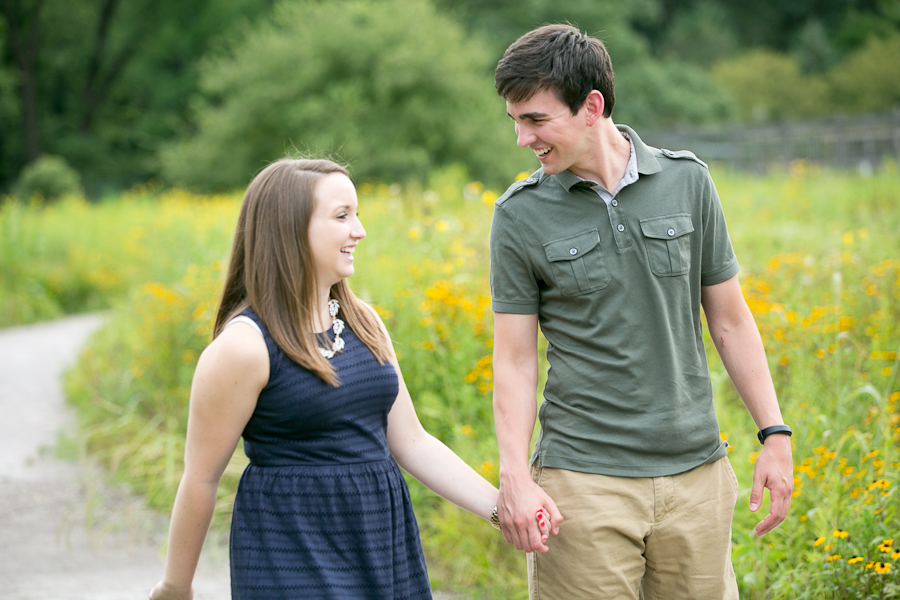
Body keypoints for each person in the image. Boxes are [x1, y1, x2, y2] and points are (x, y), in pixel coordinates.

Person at [148, 158, 548, 600]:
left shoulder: (364, 322)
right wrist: (175, 587)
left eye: (356, 214)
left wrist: (503, 508)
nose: (359, 230)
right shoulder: (244, 347)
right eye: (342, 216)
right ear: (290, 229)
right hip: (293, 551)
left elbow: (411, 442)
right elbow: (201, 478)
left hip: (381, 544)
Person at [488, 24, 794, 599]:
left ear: (591, 106)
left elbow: (729, 320)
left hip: (698, 476)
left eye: (534, 119)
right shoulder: (518, 216)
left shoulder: (688, 181)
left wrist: (773, 433)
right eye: (514, 121)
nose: (522, 138)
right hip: (582, 483)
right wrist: (515, 476)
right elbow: (515, 360)